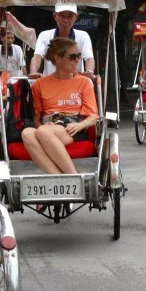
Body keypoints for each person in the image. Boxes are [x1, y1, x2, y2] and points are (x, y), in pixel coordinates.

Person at [22, 38, 98, 203]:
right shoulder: (39, 85)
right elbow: (36, 120)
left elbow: (93, 116)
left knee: (42, 131)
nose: (77, 60)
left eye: (78, 56)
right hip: (49, 126)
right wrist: (43, 126)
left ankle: (74, 178)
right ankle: (57, 183)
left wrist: (81, 125)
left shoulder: (84, 82)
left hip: (73, 127)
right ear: (56, 58)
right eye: (72, 57)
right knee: (27, 133)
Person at [29, 4, 95, 78]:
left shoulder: (83, 36)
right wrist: (33, 72)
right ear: (55, 16)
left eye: (70, 16)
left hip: (75, 84)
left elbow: (89, 58)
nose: (65, 20)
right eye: (61, 16)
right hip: (50, 84)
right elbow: (37, 56)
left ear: (76, 17)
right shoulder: (44, 35)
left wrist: (89, 71)